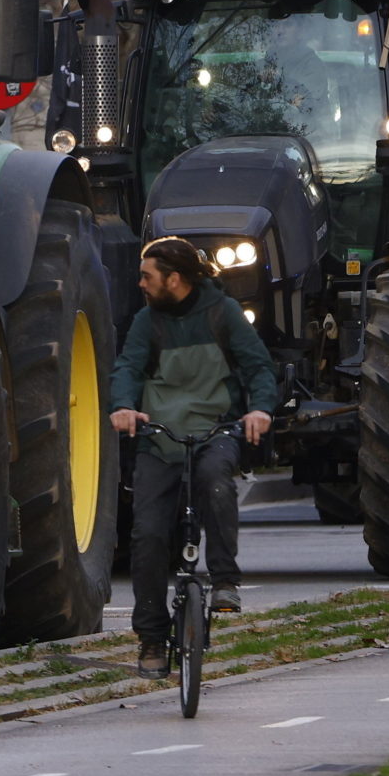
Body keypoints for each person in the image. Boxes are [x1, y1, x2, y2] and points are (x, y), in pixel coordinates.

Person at [109, 235, 280, 677]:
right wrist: (123, 406)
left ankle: (224, 580)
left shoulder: (223, 313)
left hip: (213, 430)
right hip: (159, 437)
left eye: (147, 277)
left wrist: (260, 409)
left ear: (174, 279)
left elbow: (259, 367)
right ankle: (151, 637)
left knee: (217, 481)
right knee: (147, 535)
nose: (141, 284)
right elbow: (127, 368)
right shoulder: (146, 322)